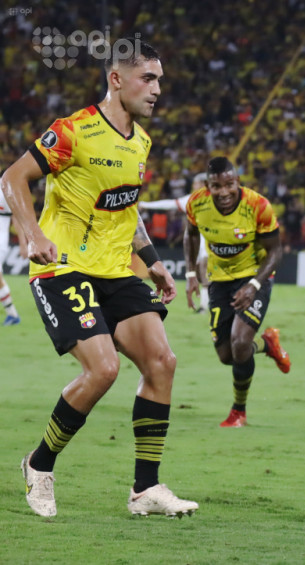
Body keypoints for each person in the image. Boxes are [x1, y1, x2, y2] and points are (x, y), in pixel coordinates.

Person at [0, 40, 198, 518]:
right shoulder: (74, 130)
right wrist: (31, 235)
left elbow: (126, 210)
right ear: (116, 79)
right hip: (62, 267)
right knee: (104, 369)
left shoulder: (141, 141)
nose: (156, 90)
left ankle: (145, 490)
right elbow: (11, 177)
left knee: (162, 362)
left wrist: (149, 259)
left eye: (160, 81)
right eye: (147, 79)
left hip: (115, 268)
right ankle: (39, 464)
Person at [184, 157, 291, 428]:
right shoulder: (196, 203)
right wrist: (190, 274)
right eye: (215, 186)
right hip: (219, 280)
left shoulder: (258, 206)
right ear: (207, 186)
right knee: (226, 356)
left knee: (240, 343)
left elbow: (276, 251)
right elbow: (190, 234)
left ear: (238, 182)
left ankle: (238, 412)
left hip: (255, 277)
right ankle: (268, 344)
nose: (223, 192)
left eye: (229, 184)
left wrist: (254, 285)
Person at [139, 172, 211, 311]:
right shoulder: (193, 199)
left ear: (202, 184)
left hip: (210, 241)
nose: (193, 186)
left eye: (196, 183)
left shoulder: (210, 199)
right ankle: (205, 304)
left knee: (203, 272)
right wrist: (145, 204)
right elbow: (170, 204)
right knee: (201, 274)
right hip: (198, 241)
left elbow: (170, 204)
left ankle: (205, 305)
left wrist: (144, 204)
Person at [0, 188, 26, 325]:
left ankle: (12, 315)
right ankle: (12, 315)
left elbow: (16, 217)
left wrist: (23, 244)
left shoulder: (5, 187)